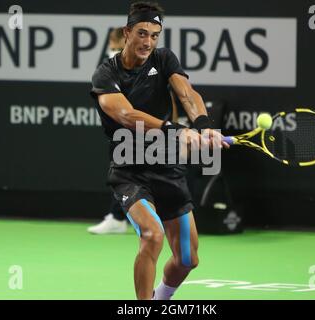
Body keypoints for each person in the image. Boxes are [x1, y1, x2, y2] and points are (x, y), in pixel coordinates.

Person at [90, 1, 228, 300]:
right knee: (152, 236)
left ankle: (160, 299)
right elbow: (127, 116)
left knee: (188, 259)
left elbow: (186, 93)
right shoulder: (105, 75)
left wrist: (203, 125)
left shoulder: (163, 59)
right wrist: (177, 131)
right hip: (129, 171)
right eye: (141, 33)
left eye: (154, 35)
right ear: (127, 33)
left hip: (168, 169)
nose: (148, 42)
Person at [88, 27, 128, 235]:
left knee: (127, 175)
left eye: (115, 44)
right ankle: (117, 217)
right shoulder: (109, 67)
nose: (111, 49)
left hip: (140, 130)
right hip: (123, 131)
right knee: (124, 175)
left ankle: (118, 216)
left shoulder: (144, 66)